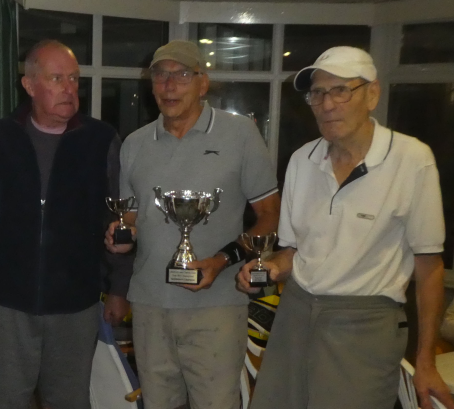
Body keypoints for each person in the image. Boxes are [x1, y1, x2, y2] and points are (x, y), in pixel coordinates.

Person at [237, 46, 454, 409]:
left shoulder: (412, 160)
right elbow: (291, 251)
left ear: (372, 94)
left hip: (365, 324)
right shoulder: (301, 160)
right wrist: (271, 266)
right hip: (295, 314)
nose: (327, 104)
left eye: (340, 90)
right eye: (317, 93)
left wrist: (426, 361)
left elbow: (429, 267)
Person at [106, 40, 280, 409]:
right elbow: (132, 216)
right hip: (150, 304)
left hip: (215, 305)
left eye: (182, 74)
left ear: (203, 83)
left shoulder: (240, 134)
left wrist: (222, 260)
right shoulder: (135, 145)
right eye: (160, 75)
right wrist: (122, 234)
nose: (170, 85)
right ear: (151, 84)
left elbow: (270, 213)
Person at [0, 39, 132, 409]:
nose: (69, 89)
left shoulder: (100, 140)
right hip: (9, 302)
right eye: (57, 78)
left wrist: (118, 286)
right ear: (29, 85)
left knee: (69, 401)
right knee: (4, 401)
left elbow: (120, 219)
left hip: (76, 303)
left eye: (74, 79)